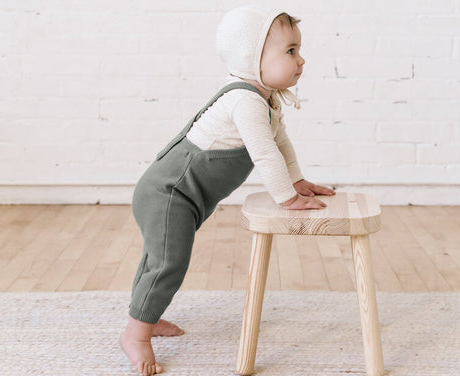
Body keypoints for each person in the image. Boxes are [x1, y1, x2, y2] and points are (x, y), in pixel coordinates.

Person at [120, 5, 336, 375]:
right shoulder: (245, 101)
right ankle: (136, 335)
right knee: (168, 262)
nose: (301, 60)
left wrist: (298, 181)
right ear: (253, 57)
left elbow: (280, 141)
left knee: (158, 259)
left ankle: (148, 316)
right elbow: (265, 153)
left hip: (181, 195)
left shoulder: (264, 100)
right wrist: (287, 198)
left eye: (298, 50)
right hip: (168, 192)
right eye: (290, 51)